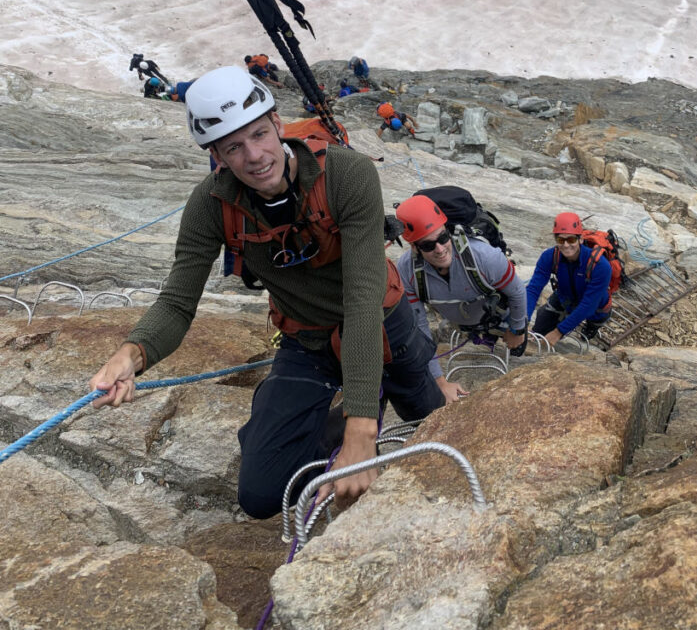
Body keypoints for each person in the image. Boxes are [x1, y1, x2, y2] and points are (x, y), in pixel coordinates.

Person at [89, 66, 443, 519]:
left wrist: (363, 432)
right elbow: (178, 302)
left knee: (430, 429)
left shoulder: (347, 175)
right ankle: (334, 415)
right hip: (307, 341)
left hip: (383, 329)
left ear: (278, 124)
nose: (254, 156)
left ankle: (378, 395)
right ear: (216, 154)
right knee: (260, 495)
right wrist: (131, 355)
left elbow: (360, 302)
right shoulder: (211, 206)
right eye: (234, 147)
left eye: (259, 134)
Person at [395, 195, 528, 403]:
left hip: (500, 317)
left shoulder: (484, 256)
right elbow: (419, 329)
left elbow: (517, 291)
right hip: (461, 322)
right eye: (429, 245)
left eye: (442, 238)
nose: (440, 249)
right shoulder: (407, 271)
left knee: (518, 349)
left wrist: (518, 330)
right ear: (414, 248)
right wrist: (440, 382)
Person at [526, 212, 613, 346]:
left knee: (596, 318)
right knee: (540, 327)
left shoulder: (600, 266)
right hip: (565, 297)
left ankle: (591, 327)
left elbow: (588, 305)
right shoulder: (549, 257)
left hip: (596, 305)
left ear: (581, 239)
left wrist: (558, 332)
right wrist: (522, 321)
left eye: (571, 239)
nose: (566, 245)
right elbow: (533, 290)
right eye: (561, 240)